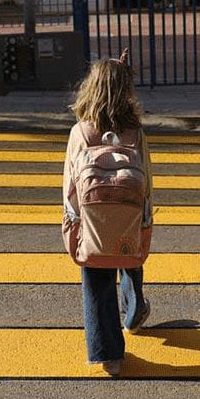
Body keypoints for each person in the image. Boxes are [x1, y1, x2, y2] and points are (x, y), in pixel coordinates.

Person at [63, 50, 153, 377]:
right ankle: (134, 312)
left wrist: (72, 223)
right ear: (126, 92)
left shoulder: (81, 132)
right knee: (130, 258)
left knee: (98, 281)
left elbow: (70, 187)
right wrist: (147, 217)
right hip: (129, 213)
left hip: (93, 222)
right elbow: (146, 179)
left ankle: (109, 355)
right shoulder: (134, 132)